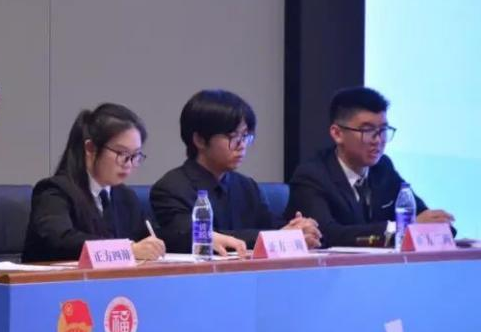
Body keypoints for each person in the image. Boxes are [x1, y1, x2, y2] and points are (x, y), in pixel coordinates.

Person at [151, 89, 321, 255]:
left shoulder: (247, 186)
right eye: (233, 137)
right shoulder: (171, 189)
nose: (242, 146)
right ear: (200, 140)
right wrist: (276, 236)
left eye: (245, 136)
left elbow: (271, 226)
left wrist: (297, 229)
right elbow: (199, 236)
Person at [285, 86, 454, 247]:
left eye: (383, 130)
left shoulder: (383, 168)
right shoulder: (312, 175)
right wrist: (400, 228)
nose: (378, 140)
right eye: (367, 130)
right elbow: (326, 234)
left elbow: (420, 215)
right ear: (337, 134)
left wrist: (435, 225)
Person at [23, 103, 165, 262]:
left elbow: (144, 241)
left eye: (135, 155)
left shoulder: (126, 197)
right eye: (122, 153)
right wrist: (127, 250)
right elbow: (60, 240)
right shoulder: (54, 192)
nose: (129, 164)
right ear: (91, 148)